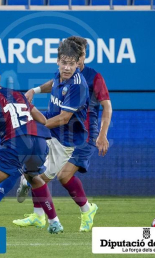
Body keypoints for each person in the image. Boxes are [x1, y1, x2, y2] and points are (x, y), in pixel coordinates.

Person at [13, 36, 112, 232]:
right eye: (67, 60)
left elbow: (107, 106)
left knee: (62, 176)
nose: (77, 60)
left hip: (83, 134)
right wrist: (36, 89)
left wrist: (102, 134)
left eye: (80, 56)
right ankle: (38, 215)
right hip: (58, 129)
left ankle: (85, 210)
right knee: (38, 170)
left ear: (82, 56)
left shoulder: (91, 78)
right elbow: (54, 82)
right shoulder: (63, 72)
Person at [0, 59, 63, 234]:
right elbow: (42, 120)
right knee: (33, 177)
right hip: (39, 142)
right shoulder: (18, 94)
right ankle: (54, 222)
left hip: (17, 144)